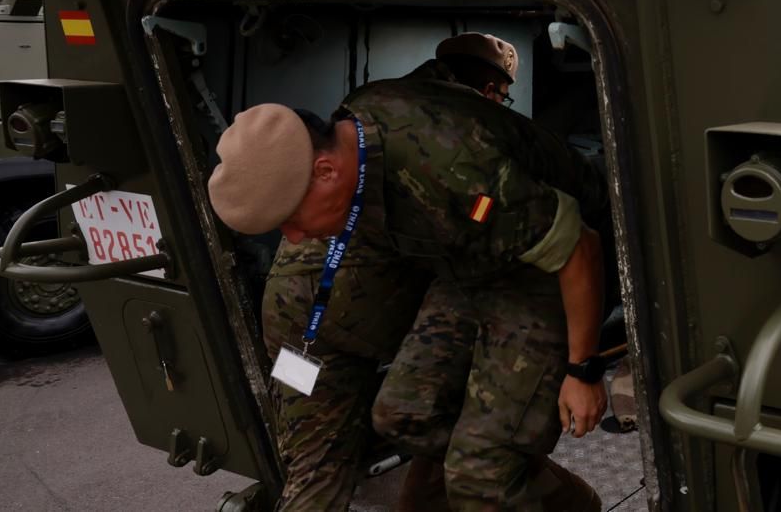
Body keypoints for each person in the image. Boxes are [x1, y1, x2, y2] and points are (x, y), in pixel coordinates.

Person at [212, 33, 608, 512]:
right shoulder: (356, 128)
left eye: (292, 220)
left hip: (542, 269)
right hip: (467, 266)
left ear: (325, 171)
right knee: (404, 414)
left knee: (481, 474)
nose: (293, 238)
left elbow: (580, 247)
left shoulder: (455, 167)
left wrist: (582, 370)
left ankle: (546, 497)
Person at [259, 34, 524, 511]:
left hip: (289, 316)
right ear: (489, 89)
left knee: (314, 469)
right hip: (367, 305)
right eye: (503, 96)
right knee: (452, 388)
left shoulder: (364, 108)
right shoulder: (457, 127)